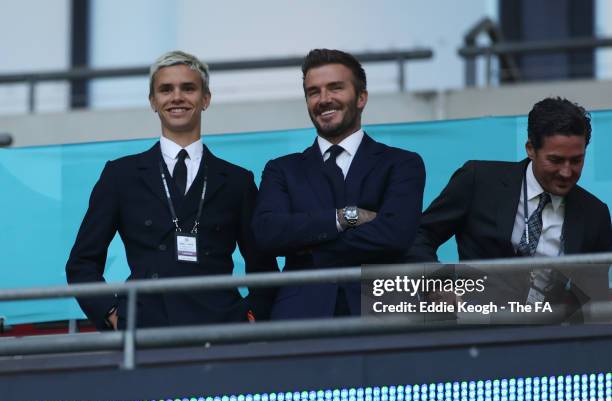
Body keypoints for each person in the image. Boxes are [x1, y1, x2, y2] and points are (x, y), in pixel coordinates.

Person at [66, 50, 277, 330]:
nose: (177, 97)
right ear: (153, 102)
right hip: (144, 330)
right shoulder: (121, 175)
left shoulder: (237, 180)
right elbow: (82, 263)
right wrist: (114, 316)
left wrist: (249, 316)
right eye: (166, 89)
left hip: (221, 330)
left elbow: (263, 267)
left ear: (206, 99)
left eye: (188, 88)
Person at [252, 49, 425, 319]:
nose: (324, 99)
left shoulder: (402, 164)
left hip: (382, 314)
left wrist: (309, 248)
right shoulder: (282, 169)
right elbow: (268, 233)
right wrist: (345, 218)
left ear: (361, 97)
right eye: (313, 92)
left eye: (336, 88)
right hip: (301, 318)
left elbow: (395, 235)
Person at [408, 97, 612, 320]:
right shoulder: (478, 181)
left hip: (544, 339)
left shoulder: (595, 215)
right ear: (530, 149)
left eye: (576, 161)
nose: (566, 172)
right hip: (470, 327)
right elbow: (419, 234)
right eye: (555, 160)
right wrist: (439, 285)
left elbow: (594, 299)